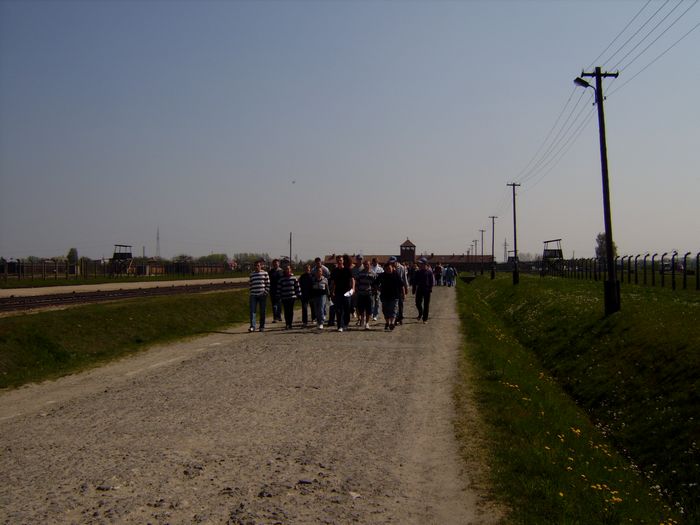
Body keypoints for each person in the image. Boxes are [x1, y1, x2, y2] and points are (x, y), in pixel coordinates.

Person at [376, 260, 404, 331]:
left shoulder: (396, 274)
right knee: (386, 311)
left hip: (395, 296)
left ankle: (392, 323)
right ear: (384, 269)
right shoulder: (382, 275)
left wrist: (403, 294)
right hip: (384, 296)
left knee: (394, 310)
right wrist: (378, 288)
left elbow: (401, 285)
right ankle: (387, 323)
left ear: (392, 268)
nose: (388, 270)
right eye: (387, 269)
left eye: (389, 268)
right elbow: (375, 283)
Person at [330, 254, 354, 332]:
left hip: (347, 292)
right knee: (339, 309)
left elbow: (352, 280)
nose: (339, 262)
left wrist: (353, 289)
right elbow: (333, 282)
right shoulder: (334, 271)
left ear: (343, 261)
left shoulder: (348, 270)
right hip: (338, 292)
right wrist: (332, 291)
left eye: (340, 260)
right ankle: (340, 326)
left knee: (347, 309)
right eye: (338, 260)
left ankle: (346, 323)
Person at [248, 260, 270, 332]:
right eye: (255, 265)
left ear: (261, 266)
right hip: (253, 295)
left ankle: (262, 326)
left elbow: (268, 284)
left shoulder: (265, 273)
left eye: (258, 265)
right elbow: (250, 284)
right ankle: (252, 326)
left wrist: (265, 292)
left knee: (262, 311)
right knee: (252, 311)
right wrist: (251, 292)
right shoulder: (252, 274)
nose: (257, 267)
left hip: (262, 295)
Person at [277, 265, 302, 329]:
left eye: (288, 269)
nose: (287, 270)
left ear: (290, 270)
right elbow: (279, 288)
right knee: (286, 311)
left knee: (290, 311)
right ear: (284, 270)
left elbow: (297, 287)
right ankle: (287, 324)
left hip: (292, 297)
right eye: (286, 269)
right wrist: (278, 296)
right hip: (284, 297)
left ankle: (290, 324)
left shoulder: (294, 278)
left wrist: (298, 295)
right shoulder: (281, 279)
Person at [355, 259, 377, 330]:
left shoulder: (373, 274)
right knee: (361, 309)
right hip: (361, 294)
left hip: (369, 294)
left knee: (369, 309)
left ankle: (367, 323)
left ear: (370, 265)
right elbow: (356, 283)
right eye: (365, 264)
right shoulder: (360, 273)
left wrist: (374, 292)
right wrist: (357, 290)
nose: (366, 266)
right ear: (363, 265)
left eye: (368, 264)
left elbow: (375, 284)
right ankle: (362, 319)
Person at [413, 257, 435, 323]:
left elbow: (431, 281)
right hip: (419, 289)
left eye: (421, 263)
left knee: (426, 305)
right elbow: (415, 281)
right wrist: (414, 289)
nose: (420, 265)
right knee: (417, 303)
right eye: (420, 264)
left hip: (427, 290)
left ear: (425, 264)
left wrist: (430, 288)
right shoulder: (418, 272)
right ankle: (421, 312)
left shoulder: (429, 272)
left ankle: (425, 319)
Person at [391, 256, 409, 325]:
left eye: (393, 262)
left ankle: (400, 317)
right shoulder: (389, 267)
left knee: (400, 304)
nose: (392, 264)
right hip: (392, 289)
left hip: (400, 288)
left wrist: (406, 288)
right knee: (394, 305)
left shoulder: (402, 268)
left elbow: (404, 278)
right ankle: (396, 318)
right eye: (391, 262)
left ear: (396, 262)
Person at [268, 259, 284, 323]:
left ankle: (279, 316)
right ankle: (275, 317)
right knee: (274, 304)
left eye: (276, 263)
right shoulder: (271, 272)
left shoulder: (281, 271)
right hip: (272, 290)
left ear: (278, 264)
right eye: (274, 263)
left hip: (280, 290)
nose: (275, 264)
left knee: (279, 304)